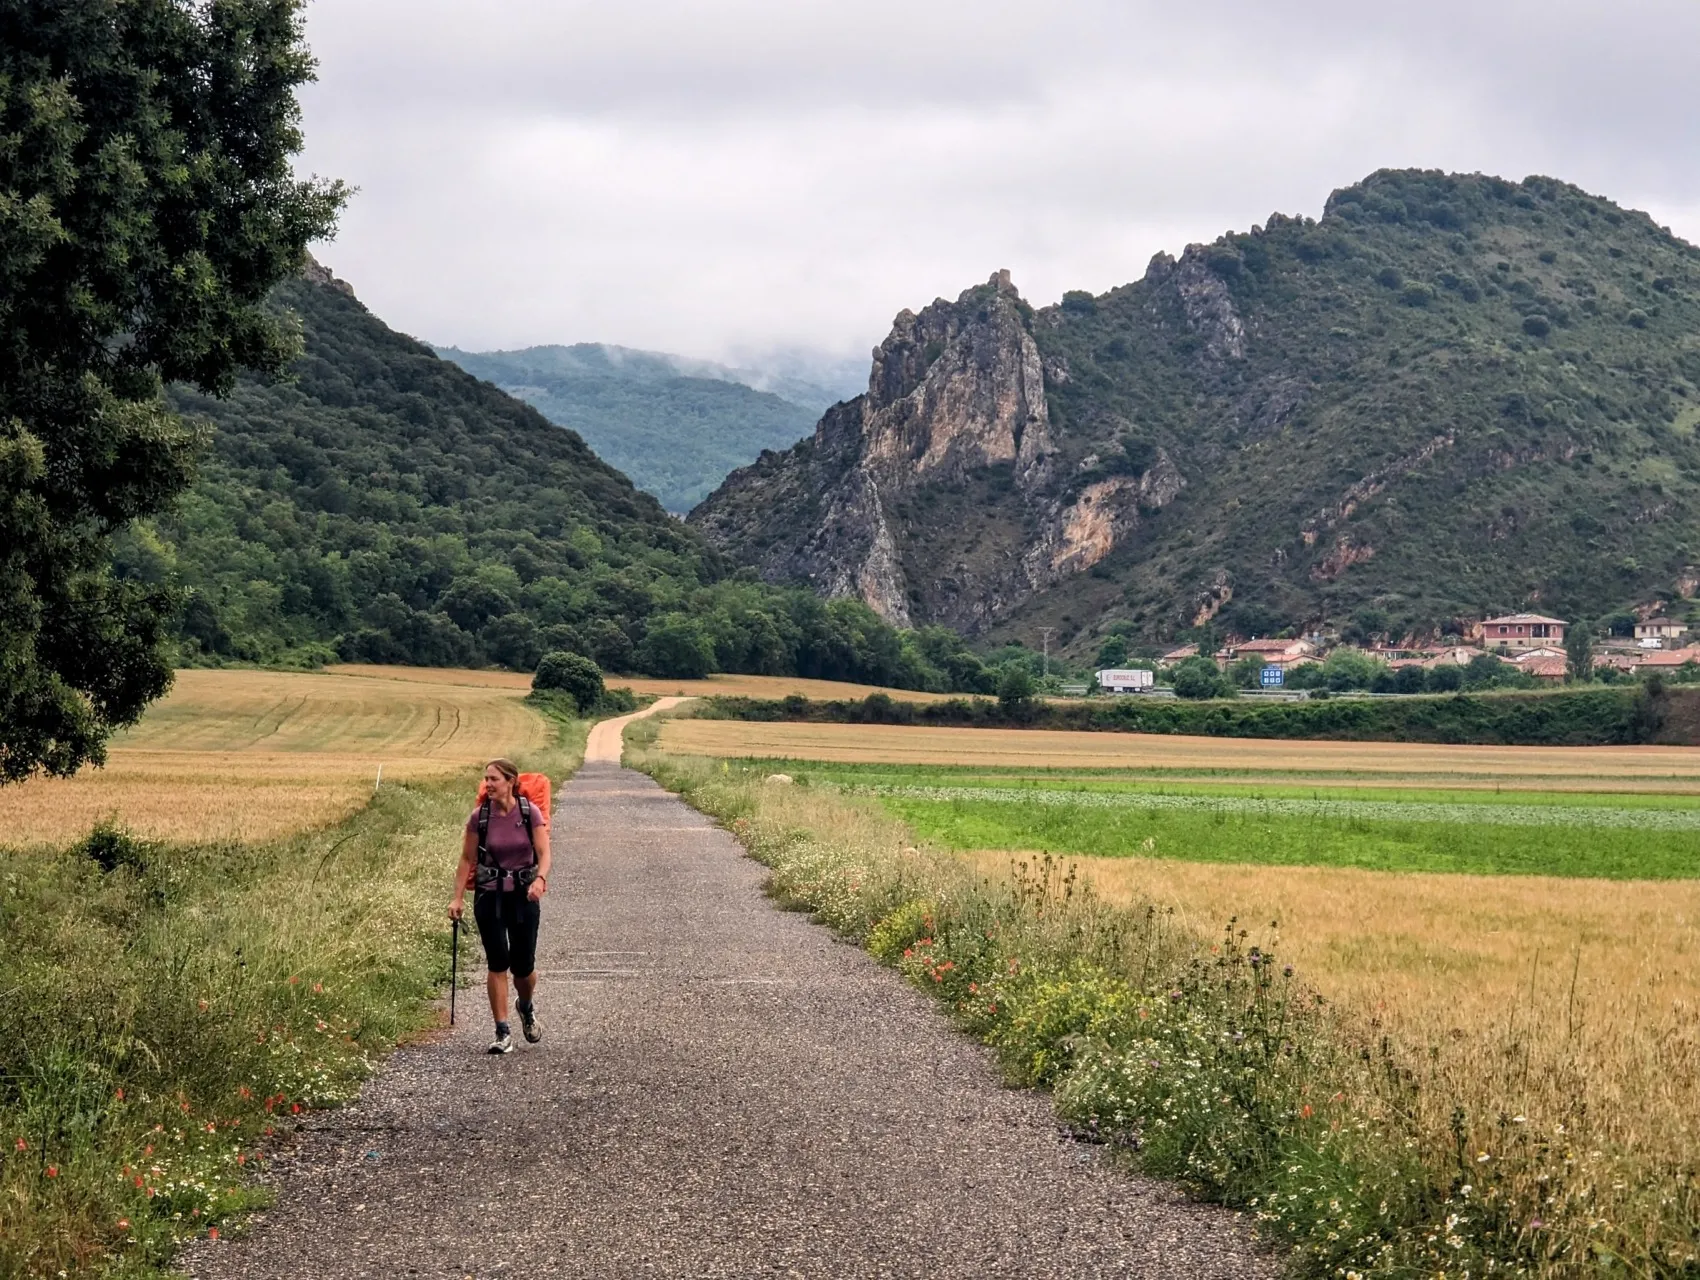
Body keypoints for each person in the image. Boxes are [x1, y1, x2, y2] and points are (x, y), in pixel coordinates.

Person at [449, 758, 551, 1054]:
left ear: (510, 782)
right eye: (486, 779)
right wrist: (457, 898)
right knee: (497, 962)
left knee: (523, 968)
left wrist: (540, 880)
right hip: (489, 896)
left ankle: (526, 1006)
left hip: (524, 897)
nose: (488, 784)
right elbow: (467, 859)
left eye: (494, 779)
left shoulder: (528, 812)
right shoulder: (479, 817)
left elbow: (544, 853)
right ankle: (502, 1032)